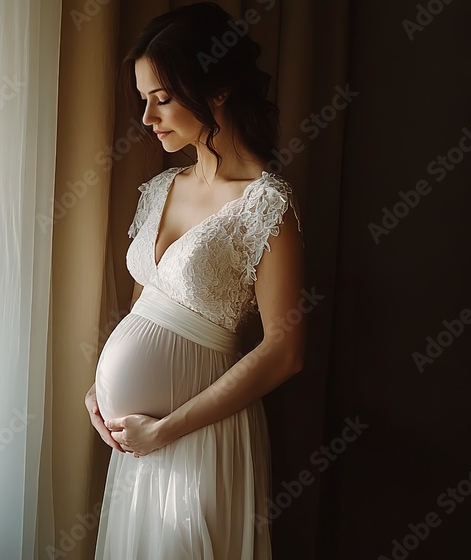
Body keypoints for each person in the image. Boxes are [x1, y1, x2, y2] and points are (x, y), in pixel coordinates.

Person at [83, 3, 306, 558]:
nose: (147, 120)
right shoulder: (162, 187)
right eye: (143, 102)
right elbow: (146, 305)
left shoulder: (266, 204)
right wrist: (100, 392)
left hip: (199, 438)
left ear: (218, 88)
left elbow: (285, 351)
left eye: (161, 99)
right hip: (137, 444)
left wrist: (166, 430)